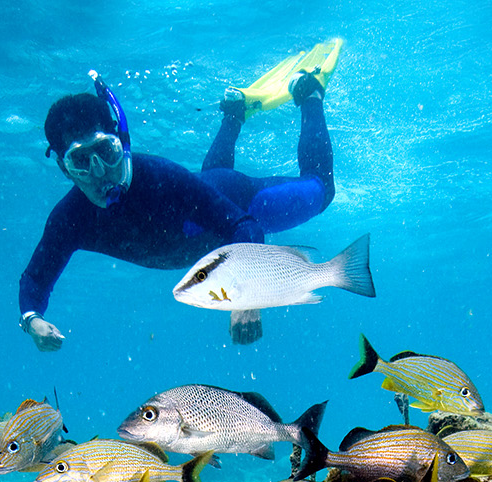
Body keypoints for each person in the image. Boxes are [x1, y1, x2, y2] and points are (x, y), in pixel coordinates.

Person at [18, 42, 342, 350]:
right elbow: (35, 277)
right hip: (203, 198)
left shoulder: (161, 177)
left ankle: (309, 92)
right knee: (208, 180)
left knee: (322, 189)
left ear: (122, 142)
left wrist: (249, 297)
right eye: (81, 161)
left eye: (106, 151)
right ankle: (234, 112)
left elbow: (245, 226)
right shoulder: (69, 219)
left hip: (241, 199)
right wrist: (32, 320)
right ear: (64, 168)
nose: (100, 171)